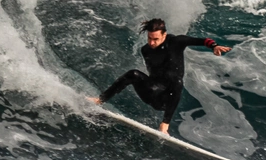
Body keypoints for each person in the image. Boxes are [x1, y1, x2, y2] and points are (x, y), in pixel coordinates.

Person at [90, 18, 231, 134]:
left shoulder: (176, 42)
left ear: (164, 35)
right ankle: (100, 99)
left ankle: (165, 125)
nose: (152, 42)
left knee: (176, 80)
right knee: (133, 73)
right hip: (152, 92)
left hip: (166, 97)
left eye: (156, 39)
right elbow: (153, 74)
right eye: (150, 38)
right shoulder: (146, 50)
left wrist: (214, 46)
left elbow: (201, 41)